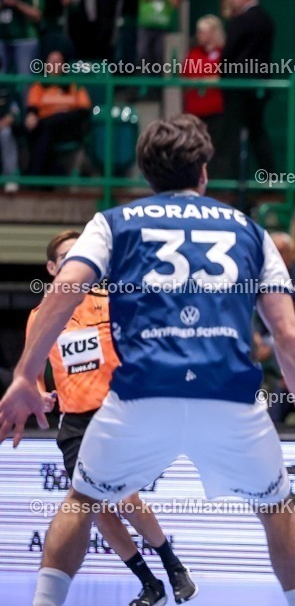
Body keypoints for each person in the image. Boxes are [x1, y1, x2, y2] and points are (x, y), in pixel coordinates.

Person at [0, 115, 295, 606]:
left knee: (83, 499)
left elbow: (66, 287)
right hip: (227, 396)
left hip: (142, 394)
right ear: (203, 172)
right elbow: (287, 335)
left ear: (145, 174)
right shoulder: (250, 231)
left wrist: (24, 374)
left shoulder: (113, 223)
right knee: (277, 507)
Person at [27, 230, 198, 606]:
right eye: (66, 257)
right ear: (52, 268)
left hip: (116, 414)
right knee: (94, 508)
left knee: (121, 496)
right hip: (74, 423)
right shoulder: (40, 316)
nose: (75, 262)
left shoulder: (111, 301)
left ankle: (173, 567)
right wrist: (38, 392)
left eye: (80, 255)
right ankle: (151, 584)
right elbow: (33, 369)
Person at [219, 0, 275, 180]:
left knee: (233, 133)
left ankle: (234, 182)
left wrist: (223, 73)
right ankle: (270, 178)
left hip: (238, 86)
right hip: (259, 86)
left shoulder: (242, 20)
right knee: (257, 132)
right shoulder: (267, 19)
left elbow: (228, 52)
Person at [24, 50, 91, 177]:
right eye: (52, 61)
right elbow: (32, 109)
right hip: (45, 128)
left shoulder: (73, 84)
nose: (55, 64)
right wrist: (31, 117)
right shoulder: (39, 85)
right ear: (46, 64)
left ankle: (34, 175)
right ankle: (48, 176)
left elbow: (84, 110)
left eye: (58, 61)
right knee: (43, 132)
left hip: (68, 127)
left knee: (46, 127)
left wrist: (60, 115)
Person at [182, 15, 226, 148]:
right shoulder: (193, 53)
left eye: (202, 32)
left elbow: (223, 76)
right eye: (198, 32)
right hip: (194, 111)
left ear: (213, 33)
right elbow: (188, 75)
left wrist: (208, 79)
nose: (199, 35)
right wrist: (209, 79)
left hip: (216, 110)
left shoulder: (224, 53)